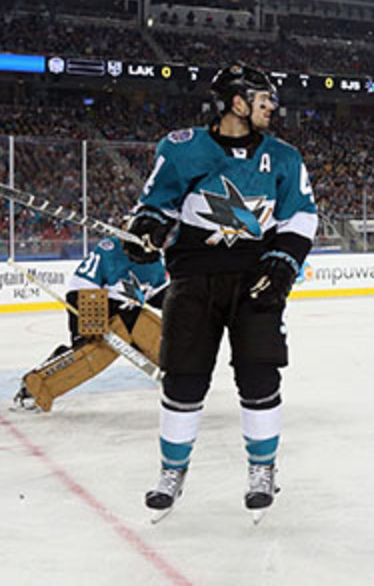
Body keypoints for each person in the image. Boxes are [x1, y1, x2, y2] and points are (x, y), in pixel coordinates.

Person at [125, 63, 317, 521]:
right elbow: (156, 204)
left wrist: (283, 263)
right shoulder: (181, 149)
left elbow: (302, 218)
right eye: (263, 100)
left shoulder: (285, 157)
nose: (272, 107)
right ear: (237, 103)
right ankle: (172, 473)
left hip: (257, 280)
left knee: (259, 377)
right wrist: (147, 228)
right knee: (183, 379)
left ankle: (262, 470)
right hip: (193, 280)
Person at [13, 226, 168, 412]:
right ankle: (33, 388)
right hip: (97, 306)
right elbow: (79, 287)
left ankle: (182, 377)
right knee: (90, 356)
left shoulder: (156, 260)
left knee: (163, 342)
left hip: (132, 314)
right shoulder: (109, 249)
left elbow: (158, 295)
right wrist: (83, 325)